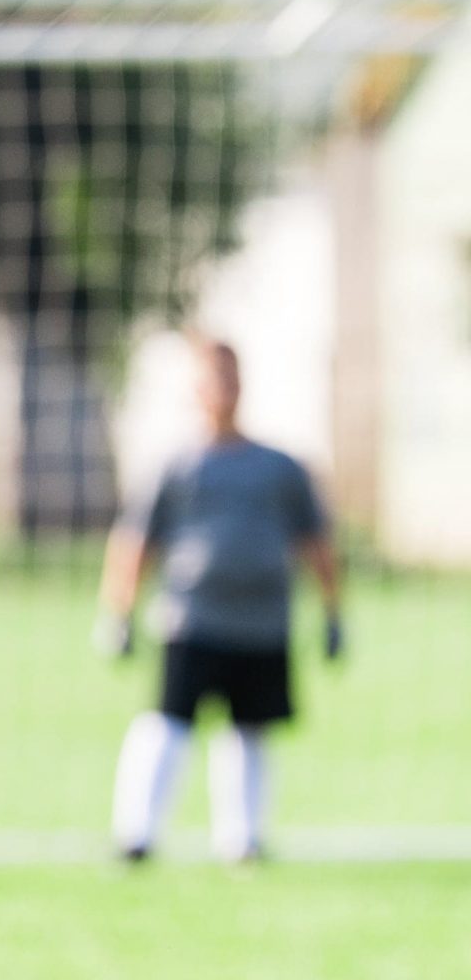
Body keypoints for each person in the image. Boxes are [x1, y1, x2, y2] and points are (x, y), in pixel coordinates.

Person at [99, 337, 341, 863]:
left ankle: (243, 840)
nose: (224, 390)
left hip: (262, 623)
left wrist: (333, 613)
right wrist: (118, 613)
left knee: (250, 729)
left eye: (231, 377)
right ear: (196, 389)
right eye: (213, 378)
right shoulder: (175, 465)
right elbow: (136, 542)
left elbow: (315, 542)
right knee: (168, 721)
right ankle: (136, 836)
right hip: (193, 619)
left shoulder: (280, 468)